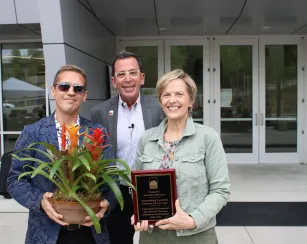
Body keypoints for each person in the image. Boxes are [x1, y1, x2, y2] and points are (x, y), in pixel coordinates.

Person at [7, 65, 116, 244]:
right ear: (53, 91)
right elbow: (14, 180)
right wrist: (40, 201)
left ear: (84, 95)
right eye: (64, 86)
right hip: (45, 234)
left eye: (78, 88)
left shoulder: (97, 131)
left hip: (90, 233)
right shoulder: (33, 132)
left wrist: (107, 203)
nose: (71, 92)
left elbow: (112, 179)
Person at [132, 69, 231, 243]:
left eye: (179, 94)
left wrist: (192, 220)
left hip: (196, 235)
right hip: (153, 236)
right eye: (166, 95)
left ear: (191, 100)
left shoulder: (208, 138)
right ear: (160, 100)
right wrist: (139, 213)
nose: (172, 100)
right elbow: (136, 188)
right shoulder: (147, 139)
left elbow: (220, 190)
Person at [91, 51, 163, 244]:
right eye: (121, 74)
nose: (128, 79)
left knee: (156, 239)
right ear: (114, 81)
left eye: (133, 73)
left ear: (142, 78)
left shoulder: (159, 108)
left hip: (152, 188)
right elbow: (96, 154)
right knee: (119, 239)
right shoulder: (100, 112)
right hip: (118, 191)